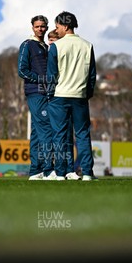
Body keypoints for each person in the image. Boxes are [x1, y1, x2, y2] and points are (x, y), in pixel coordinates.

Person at [46, 11, 97, 181]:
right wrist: (86, 94)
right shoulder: (88, 45)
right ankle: (88, 173)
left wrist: (50, 95)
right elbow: (92, 76)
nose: (56, 29)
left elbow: (51, 76)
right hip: (80, 97)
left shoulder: (56, 46)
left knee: (59, 135)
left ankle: (60, 174)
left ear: (65, 26)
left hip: (59, 96)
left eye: (57, 26)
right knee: (83, 134)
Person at [18, 15, 55, 180]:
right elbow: (22, 70)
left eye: (43, 26)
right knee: (46, 128)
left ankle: (35, 171)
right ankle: (48, 170)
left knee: (36, 132)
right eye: (37, 26)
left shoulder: (46, 47)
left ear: (46, 27)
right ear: (32, 27)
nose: (40, 29)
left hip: (45, 93)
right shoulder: (27, 45)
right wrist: (42, 80)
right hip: (35, 93)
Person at [48, 29, 81, 180]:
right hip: (50, 99)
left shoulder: (62, 51)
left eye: (53, 40)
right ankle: (51, 170)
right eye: (49, 40)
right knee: (53, 136)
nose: (51, 43)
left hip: (61, 96)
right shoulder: (46, 54)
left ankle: (68, 170)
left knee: (66, 135)